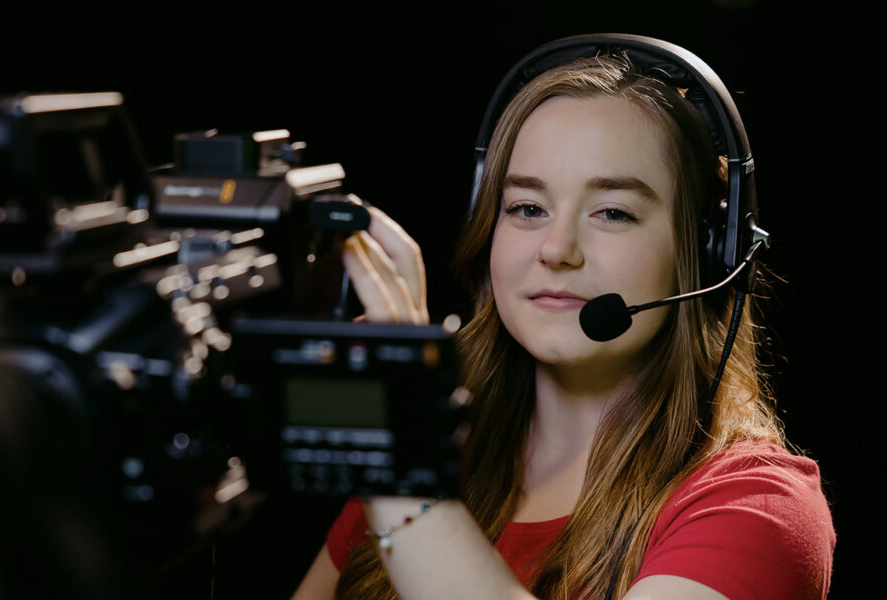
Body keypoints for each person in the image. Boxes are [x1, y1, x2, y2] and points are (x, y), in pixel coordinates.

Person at [291, 39, 836, 600]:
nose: (556, 250)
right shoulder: (428, 456)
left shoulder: (759, 508)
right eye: (527, 208)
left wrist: (401, 466)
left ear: (704, 250)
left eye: (613, 212)